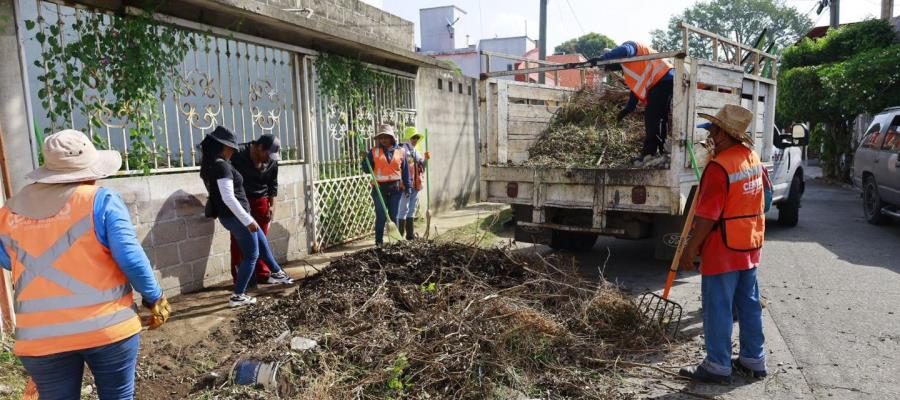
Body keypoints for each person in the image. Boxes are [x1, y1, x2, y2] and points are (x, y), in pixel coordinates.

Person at [0, 129, 170, 400]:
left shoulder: (9, 212)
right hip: (108, 329)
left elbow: (9, 260)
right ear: (90, 171)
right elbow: (131, 258)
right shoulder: (100, 201)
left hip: (40, 340)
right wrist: (154, 297)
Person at [677, 104, 769, 383]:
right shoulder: (751, 157)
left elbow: (706, 217)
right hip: (749, 244)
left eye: (713, 130)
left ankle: (717, 366)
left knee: (717, 307)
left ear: (723, 134)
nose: (710, 135)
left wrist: (690, 250)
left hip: (723, 248)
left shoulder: (720, 167)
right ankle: (754, 360)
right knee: (749, 304)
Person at [199, 126, 293, 308]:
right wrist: (247, 220)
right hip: (237, 217)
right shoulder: (222, 166)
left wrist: (248, 218)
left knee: (261, 241)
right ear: (223, 146)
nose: (234, 150)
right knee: (251, 255)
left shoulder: (217, 164)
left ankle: (276, 272)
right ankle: (238, 295)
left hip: (238, 215)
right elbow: (228, 198)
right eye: (231, 147)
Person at [590, 41, 674, 166]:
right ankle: (658, 151)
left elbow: (625, 50)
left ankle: (650, 153)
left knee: (653, 117)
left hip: (663, 79)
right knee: (657, 116)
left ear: (614, 58)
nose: (612, 70)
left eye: (610, 66)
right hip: (661, 81)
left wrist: (603, 59)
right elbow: (636, 88)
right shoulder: (628, 66)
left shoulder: (629, 49)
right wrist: (628, 109)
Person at [228, 134, 281, 285]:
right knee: (239, 240)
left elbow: (273, 185)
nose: (269, 158)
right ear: (258, 147)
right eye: (267, 154)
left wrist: (272, 205)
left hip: (261, 202)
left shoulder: (272, 161)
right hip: (241, 203)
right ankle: (240, 278)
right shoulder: (237, 154)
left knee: (261, 240)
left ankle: (262, 273)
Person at [361, 124, 411, 246]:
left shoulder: (401, 152)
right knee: (381, 217)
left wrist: (408, 187)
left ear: (391, 138)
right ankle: (379, 243)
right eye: (381, 137)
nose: (383, 139)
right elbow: (367, 170)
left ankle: (395, 243)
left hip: (396, 189)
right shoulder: (373, 152)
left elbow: (405, 171)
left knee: (394, 216)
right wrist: (364, 160)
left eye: (386, 137)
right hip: (379, 189)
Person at [396, 127, 430, 240]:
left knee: (411, 209)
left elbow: (422, 166)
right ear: (408, 138)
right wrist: (404, 184)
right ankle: (399, 236)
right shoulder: (402, 150)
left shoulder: (415, 151)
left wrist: (425, 159)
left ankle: (410, 235)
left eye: (417, 137)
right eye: (413, 137)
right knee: (403, 209)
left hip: (416, 184)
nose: (415, 139)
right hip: (406, 185)